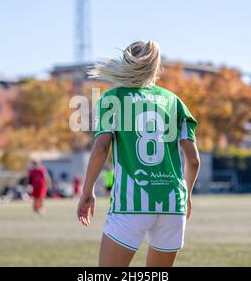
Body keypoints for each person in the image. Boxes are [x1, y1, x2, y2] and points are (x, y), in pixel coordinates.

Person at [77, 41, 200, 267]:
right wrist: (188, 196)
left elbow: (101, 148)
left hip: (131, 203)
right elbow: (193, 160)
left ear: (126, 63)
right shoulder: (175, 102)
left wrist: (88, 190)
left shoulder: (112, 99)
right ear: (156, 66)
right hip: (173, 204)